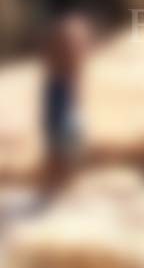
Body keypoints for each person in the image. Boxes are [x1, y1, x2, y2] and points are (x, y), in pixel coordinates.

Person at [42, 14, 92, 196]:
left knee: (68, 140)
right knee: (61, 141)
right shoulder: (58, 83)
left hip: (66, 104)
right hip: (61, 103)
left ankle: (64, 179)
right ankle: (60, 180)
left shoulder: (66, 77)